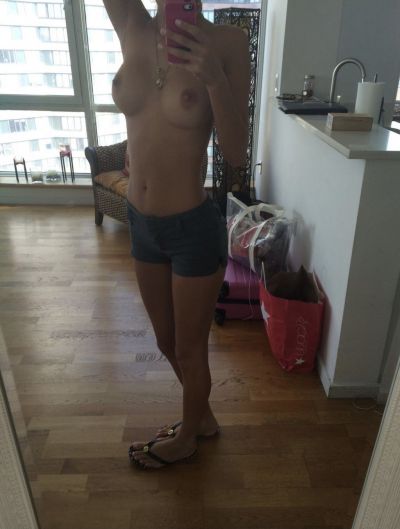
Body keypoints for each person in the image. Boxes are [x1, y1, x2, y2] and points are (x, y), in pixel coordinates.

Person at [103, 0, 250, 469]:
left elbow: (237, 153)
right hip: (140, 222)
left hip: (192, 228)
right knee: (166, 342)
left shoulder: (227, 42)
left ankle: (188, 437)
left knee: (190, 349)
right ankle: (200, 419)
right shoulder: (131, 23)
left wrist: (214, 78)